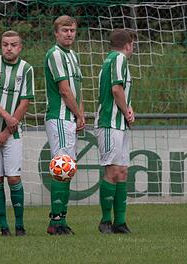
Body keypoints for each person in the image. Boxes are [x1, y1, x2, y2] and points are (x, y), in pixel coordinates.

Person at [0, 30, 35, 236]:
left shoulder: (26, 69)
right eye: (5, 44)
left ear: (20, 47)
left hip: (12, 134)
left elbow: (25, 101)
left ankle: (19, 226)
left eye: (13, 44)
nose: (8, 48)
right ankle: (4, 227)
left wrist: (8, 128)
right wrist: (7, 117)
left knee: (13, 179)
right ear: (1, 46)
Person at [44, 15, 85, 235]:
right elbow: (64, 90)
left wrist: (81, 113)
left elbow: (77, 88)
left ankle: (61, 219)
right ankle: (56, 220)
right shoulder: (55, 54)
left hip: (70, 118)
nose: (69, 34)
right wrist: (77, 114)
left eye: (72, 30)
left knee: (67, 169)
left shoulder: (73, 56)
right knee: (62, 166)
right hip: (60, 117)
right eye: (65, 30)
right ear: (56, 33)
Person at [94, 28, 135, 234]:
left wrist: (128, 108)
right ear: (128, 44)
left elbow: (120, 91)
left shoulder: (110, 61)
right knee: (112, 171)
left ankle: (120, 222)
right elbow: (116, 89)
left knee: (122, 171)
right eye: (133, 44)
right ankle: (105, 221)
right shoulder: (118, 59)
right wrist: (126, 111)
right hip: (110, 124)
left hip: (118, 124)